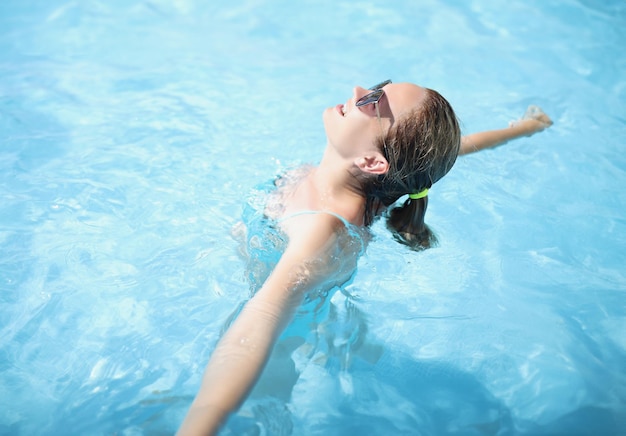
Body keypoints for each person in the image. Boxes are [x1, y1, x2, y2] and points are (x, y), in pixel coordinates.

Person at [177, 80, 552, 435]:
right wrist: (524, 129)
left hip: (283, 337)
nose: (358, 90)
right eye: (376, 88)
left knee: (259, 412)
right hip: (295, 299)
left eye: (372, 103)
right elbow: (461, 146)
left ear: (372, 162)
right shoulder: (367, 177)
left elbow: (261, 319)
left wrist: (201, 422)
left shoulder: (320, 231)